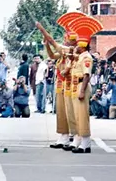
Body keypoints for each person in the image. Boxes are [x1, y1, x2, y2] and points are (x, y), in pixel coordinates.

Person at [38, 16, 81, 150]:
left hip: (70, 85)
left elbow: (52, 41)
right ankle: (63, 135)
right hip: (60, 85)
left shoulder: (69, 51)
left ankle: (74, 136)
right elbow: (52, 56)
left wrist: (42, 29)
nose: (66, 40)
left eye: (68, 38)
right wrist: (46, 46)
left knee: (70, 112)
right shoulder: (64, 52)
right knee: (61, 112)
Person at [67, 15, 103, 153]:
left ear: (82, 45)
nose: (75, 45)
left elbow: (87, 75)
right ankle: (81, 140)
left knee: (82, 115)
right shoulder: (80, 56)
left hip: (82, 86)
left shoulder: (86, 57)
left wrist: (82, 91)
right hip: (76, 85)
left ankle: (86, 143)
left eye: (77, 44)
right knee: (77, 115)